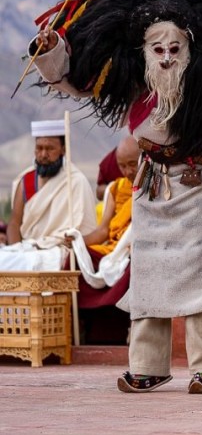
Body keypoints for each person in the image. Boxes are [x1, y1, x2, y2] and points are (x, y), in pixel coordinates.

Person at [29, 0, 202, 394]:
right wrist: (50, 49)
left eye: (174, 50)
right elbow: (75, 79)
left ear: (190, 50)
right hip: (153, 191)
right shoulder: (134, 85)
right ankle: (147, 366)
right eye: (157, 50)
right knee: (147, 281)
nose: (165, 58)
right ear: (144, 51)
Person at [68, 135, 140, 344]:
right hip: (114, 248)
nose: (128, 172)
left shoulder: (152, 186)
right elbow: (102, 231)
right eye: (122, 166)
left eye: (132, 165)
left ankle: (121, 332)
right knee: (73, 259)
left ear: (144, 159)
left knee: (132, 265)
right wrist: (77, 240)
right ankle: (85, 331)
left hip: (133, 248)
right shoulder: (115, 189)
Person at [6, 119, 97, 248]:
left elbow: (85, 229)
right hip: (27, 250)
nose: (43, 154)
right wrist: (16, 250)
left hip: (60, 250)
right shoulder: (26, 181)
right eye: (39, 148)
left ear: (63, 150)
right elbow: (14, 223)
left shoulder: (76, 181)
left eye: (50, 149)